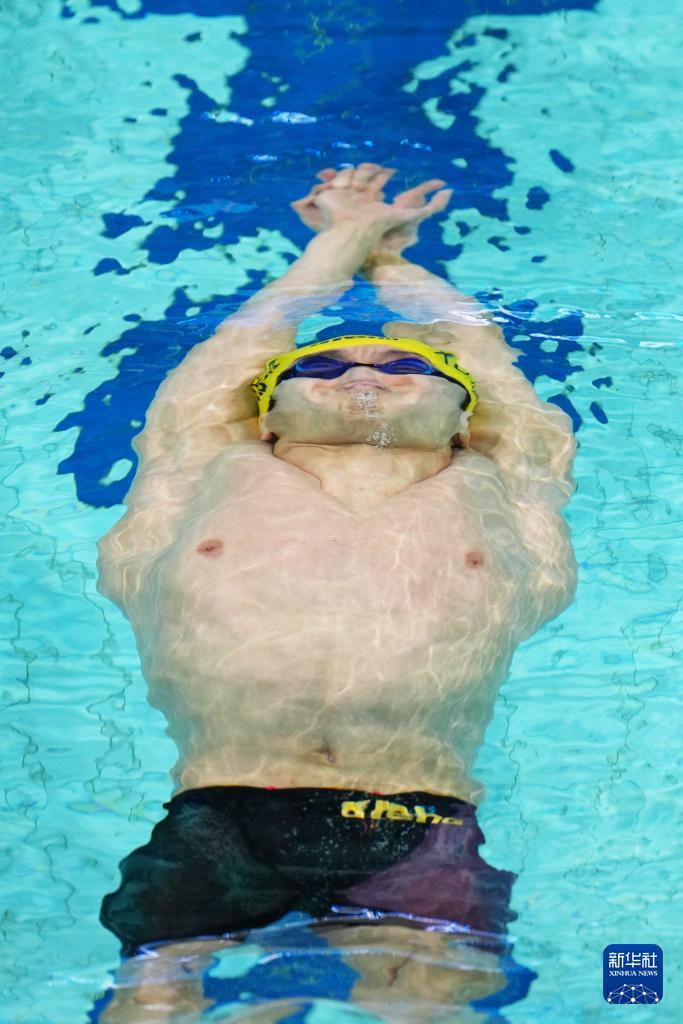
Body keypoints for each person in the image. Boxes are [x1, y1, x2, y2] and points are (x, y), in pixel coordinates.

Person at [95, 162, 576, 1021]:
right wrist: (338, 246)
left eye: (401, 363)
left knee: (436, 1005)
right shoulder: (198, 478)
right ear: (266, 413)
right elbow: (223, 365)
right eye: (321, 366)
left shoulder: (506, 492)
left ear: (462, 414)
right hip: (223, 807)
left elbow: (495, 370)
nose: (363, 372)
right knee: (150, 1002)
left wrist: (393, 263)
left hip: (420, 817)